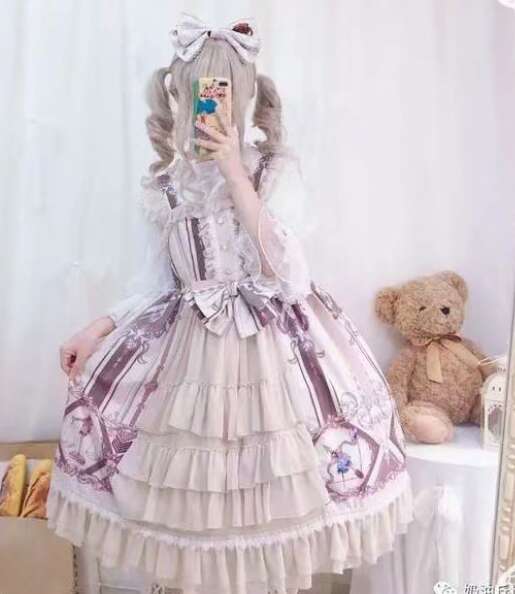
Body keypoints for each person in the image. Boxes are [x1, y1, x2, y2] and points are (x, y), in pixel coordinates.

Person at [47, 13, 412, 594]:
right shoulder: (168, 186)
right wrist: (98, 326)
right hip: (189, 360)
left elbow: (290, 275)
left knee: (267, 492)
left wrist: (236, 175)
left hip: (274, 359)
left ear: (240, 96)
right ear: (181, 95)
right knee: (194, 500)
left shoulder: (273, 171)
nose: (209, 106)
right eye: (199, 92)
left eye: (221, 92)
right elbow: (158, 283)